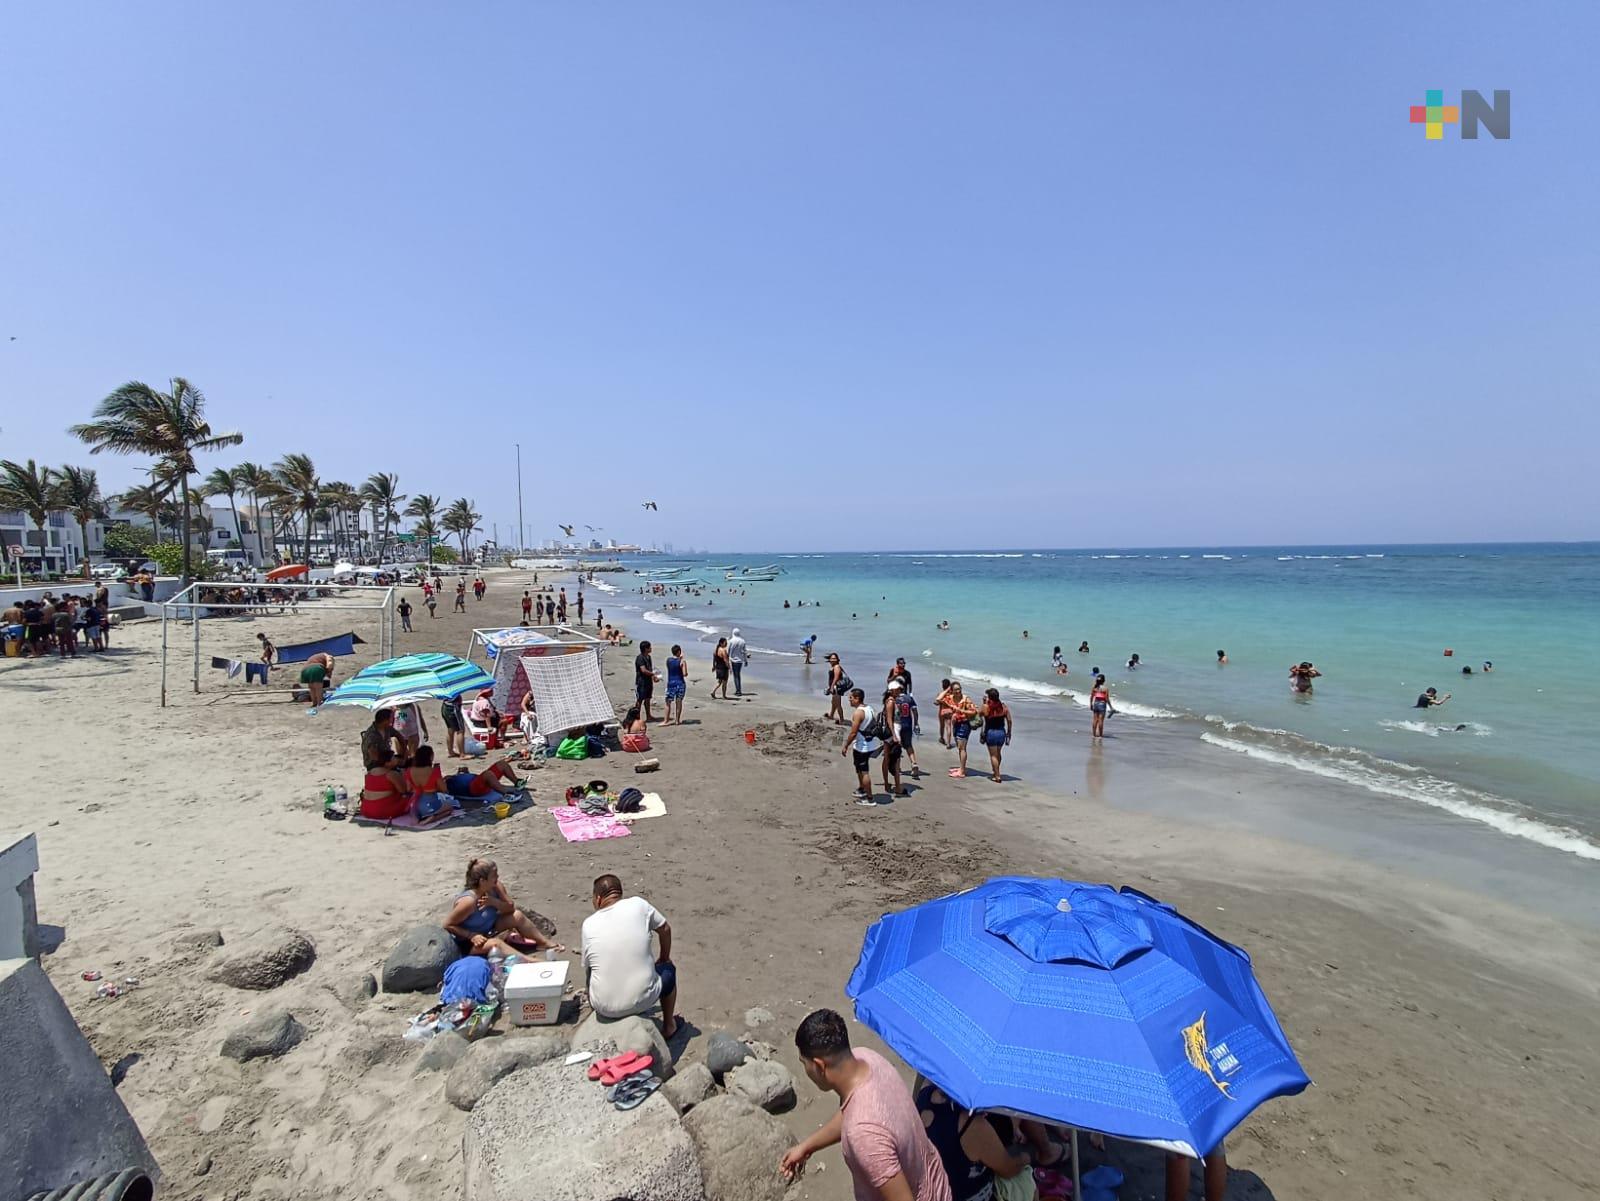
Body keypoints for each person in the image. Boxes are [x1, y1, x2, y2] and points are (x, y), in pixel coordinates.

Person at [781, 1009, 952, 1201]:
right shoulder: (868, 1059)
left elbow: (862, 1126)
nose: (805, 1069)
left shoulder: (864, 1136)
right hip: (935, 1183)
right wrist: (807, 1147)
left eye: (804, 1063)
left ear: (819, 1066)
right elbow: (852, 1113)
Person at [581, 873, 681, 1037]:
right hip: (644, 1001)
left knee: (593, 968)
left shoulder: (588, 924)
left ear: (598, 899)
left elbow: (588, 966)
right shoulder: (638, 905)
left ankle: (598, 1014)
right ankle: (669, 1026)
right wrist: (664, 957)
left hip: (603, 1007)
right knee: (668, 970)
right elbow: (665, 929)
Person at [915, 1080, 1032, 1201]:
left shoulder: (924, 1093)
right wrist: (1024, 1159)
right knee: (1029, 1186)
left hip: (933, 1190)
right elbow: (1008, 1169)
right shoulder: (971, 1125)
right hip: (969, 1195)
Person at [444, 858, 562, 959]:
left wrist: (494, 902)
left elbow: (510, 908)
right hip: (470, 942)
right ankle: (529, 961)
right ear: (482, 881)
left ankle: (543, 943)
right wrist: (471, 935)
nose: (497, 877)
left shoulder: (495, 886)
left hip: (489, 930)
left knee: (517, 916)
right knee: (496, 944)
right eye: (494, 875)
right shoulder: (468, 902)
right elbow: (447, 925)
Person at [842, 687, 881, 805]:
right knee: (859, 768)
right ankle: (862, 789)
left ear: (857, 698)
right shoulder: (869, 708)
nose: (849, 700)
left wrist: (846, 745)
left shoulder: (858, 713)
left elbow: (853, 733)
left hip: (863, 747)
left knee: (864, 772)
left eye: (851, 698)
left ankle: (869, 798)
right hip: (871, 743)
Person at [359, 744, 415, 820]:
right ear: (387, 763)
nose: (396, 759)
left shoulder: (370, 772)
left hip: (366, 809)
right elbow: (404, 791)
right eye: (393, 758)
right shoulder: (391, 774)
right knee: (412, 797)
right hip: (382, 811)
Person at [880, 685, 907, 797]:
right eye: (898, 689)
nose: (900, 691)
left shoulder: (891, 700)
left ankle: (887, 784)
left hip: (890, 733)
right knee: (895, 760)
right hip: (892, 733)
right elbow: (889, 720)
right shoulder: (891, 702)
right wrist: (894, 735)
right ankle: (898, 787)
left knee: (887, 759)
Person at [979, 688, 1011, 783]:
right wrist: (1009, 732)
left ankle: (997, 776)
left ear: (989, 697)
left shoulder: (986, 706)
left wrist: (983, 703)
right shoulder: (1003, 706)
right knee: (998, 753)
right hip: (1001, 732)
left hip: (991, 732)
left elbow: (979, 714)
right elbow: (1009, 720)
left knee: (993, 755)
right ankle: (995, 771)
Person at [946, 683, 977, 777]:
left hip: (964, 724)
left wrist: (961, 711)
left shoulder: (965, 699)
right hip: (956, 724)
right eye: (956, 689)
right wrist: (947, 690)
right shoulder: (950, 698)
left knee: (962, 748)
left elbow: (973, 711)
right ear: (952, 691)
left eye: (959, 689)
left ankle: (962, 772)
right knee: (959, 747)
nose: (958, 691)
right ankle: (961, 768)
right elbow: (938, 699)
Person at [892, 678, 920, 778]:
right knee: (908, 745)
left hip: (897, 725)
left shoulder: (894, 699)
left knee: (897, 746)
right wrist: (916, 723)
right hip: (907, 724)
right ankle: (913, 763)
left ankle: (897, 767)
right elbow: (915, 711)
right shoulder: (909, 698)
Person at [636, 639, 660, 721]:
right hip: (641, 682)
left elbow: (649, 669)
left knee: (648, 698)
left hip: (648, 681)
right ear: (646, 649)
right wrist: (653, 674)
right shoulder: (640, 658)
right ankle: (637, 717)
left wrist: (654, 677)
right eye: (649, 647)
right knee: (640, 699)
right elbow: (643, 670)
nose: (651, 648)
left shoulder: (648, 657)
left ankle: (648, 716)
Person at [664, 644, 688, 725]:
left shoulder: (668, 660)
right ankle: (677, 720)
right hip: (680, 683)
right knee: (679, 701)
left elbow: (671, 668)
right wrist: (681, 660)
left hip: (671, 683)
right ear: (679, 652)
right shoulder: (682, 662)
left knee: (668, 702)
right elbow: (685, 674)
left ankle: (666, 720)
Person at [825, 654, 850, 724]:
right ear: (829, 659)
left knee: (838, 704)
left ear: (837, 659)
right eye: (832, 658)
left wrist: (832, 687)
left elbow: (836, 677)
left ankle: (842, 720)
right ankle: (831, 715)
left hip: (837, 687)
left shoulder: (836, 667)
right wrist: (830, 686)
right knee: (833, 702)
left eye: (834, 658)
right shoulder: (834, 667)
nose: (833, 660)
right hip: (835, 687)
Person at [441, 693, 466, 758]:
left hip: (445, 705)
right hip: (453, 708)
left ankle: (451, 752)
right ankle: (462, 754)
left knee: (450, 730)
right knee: (460, 731)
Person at [728, 627, 749, 696]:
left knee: (736, 676)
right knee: (738, 675)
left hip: (733, 660)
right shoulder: (742, 641)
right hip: (740, 661)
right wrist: (745, 660)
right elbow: (744, 652)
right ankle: (738, 689)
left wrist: (727, 659)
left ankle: (738, 691)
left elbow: (728, 650)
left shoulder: (731, 641)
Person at [1090, 675, 1112, 739]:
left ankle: (1094, 735)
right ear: (1104, 681)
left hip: (1096, 703)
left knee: (1095, 720)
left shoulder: (1094, 687)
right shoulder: (1105, 688)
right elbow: (1106, 699)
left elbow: (1091, 697)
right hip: (1102, 704)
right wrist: (1111, 707)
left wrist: (1091, 704)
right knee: (1101, 720)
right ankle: (1100, 735)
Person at [934, 678, 954, 747]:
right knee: (948, 727)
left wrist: (940, 702)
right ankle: (948, 743)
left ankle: (942, 738)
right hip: (949, 712)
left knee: (942, 726)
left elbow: (936, 702)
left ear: (942, 686)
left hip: (942, 711)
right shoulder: (952, 695)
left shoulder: (940, 694)